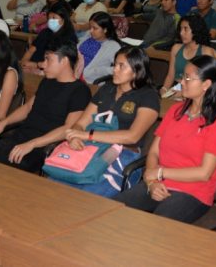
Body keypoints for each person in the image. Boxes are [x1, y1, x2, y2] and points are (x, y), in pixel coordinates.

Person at [114, 55, 216, 223]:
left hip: (194, 192)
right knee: (114, 208)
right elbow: (154, 152)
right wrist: (152, 181)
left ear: (206, 84)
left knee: (156, 224)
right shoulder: (175, 111)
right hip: (159, 182)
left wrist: (160, 173)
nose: (182, 82)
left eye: (188, 78)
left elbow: (204, 173)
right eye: (183, 76)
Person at [0, 40, 91, 173]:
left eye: (48, 59)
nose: (43, 65)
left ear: (64, 61)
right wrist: (3, 123)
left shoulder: (80, 91)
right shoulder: (47, 81)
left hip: (42, 147)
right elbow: (28, 107)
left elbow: (68, 128)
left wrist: (32, 144)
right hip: (20, 138)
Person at [59, 47, 161, 197]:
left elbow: (132, 136)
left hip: (123, 154)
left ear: (137, 71)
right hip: (91, 147)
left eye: (121, 66)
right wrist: (75, 136)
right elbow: (81, 123)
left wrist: (88, 135)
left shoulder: (148, 96)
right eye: (115, 65)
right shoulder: (107, 89)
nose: (115, 70)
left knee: (86, 195)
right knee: (56, 185)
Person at [161, 14, 216, 98]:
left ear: (195, 30)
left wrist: (182, 93)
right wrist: (164, 89)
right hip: (175, 88)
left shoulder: (206, 51)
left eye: (186, 29)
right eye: (180, 29)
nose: (181, 33)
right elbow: (170, 75)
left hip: (195, 91)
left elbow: (208, 82)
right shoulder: (176, 48)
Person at [21, 2, 78, 74]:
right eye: (49, 18)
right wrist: (24, 62)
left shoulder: (69, 37)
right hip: (32, 67)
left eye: (54, 18)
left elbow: (59, 63)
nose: (51, 20)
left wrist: (36, 65)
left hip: (50, 71)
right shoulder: (45, 32)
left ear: (63, 20)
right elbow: (31, 51)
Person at [78, 12, 122, 84]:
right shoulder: (88, 35)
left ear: (105, 30)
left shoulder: (113, 46)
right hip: (73, 71)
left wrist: (100, 70)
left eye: (95, 28)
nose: (91, 31)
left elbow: (121, 67)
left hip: (87, 79)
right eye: (90, 27)